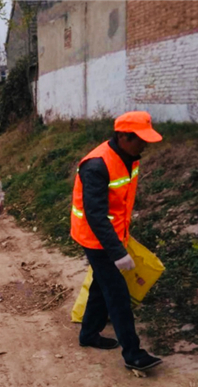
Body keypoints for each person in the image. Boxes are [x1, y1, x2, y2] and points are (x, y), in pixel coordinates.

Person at [71, 111, 163, 372]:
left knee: (101, 287)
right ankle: (133, 354)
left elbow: (118, 203)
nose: (145, 145)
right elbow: (96, 215)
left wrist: (122, 237)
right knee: (117, 294)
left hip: (112, 236)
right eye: (141, 140)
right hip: (95, 238)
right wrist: (118, 253)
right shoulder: (96, 165)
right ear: (124, 137)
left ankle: (89, 334)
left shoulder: (129, 157)